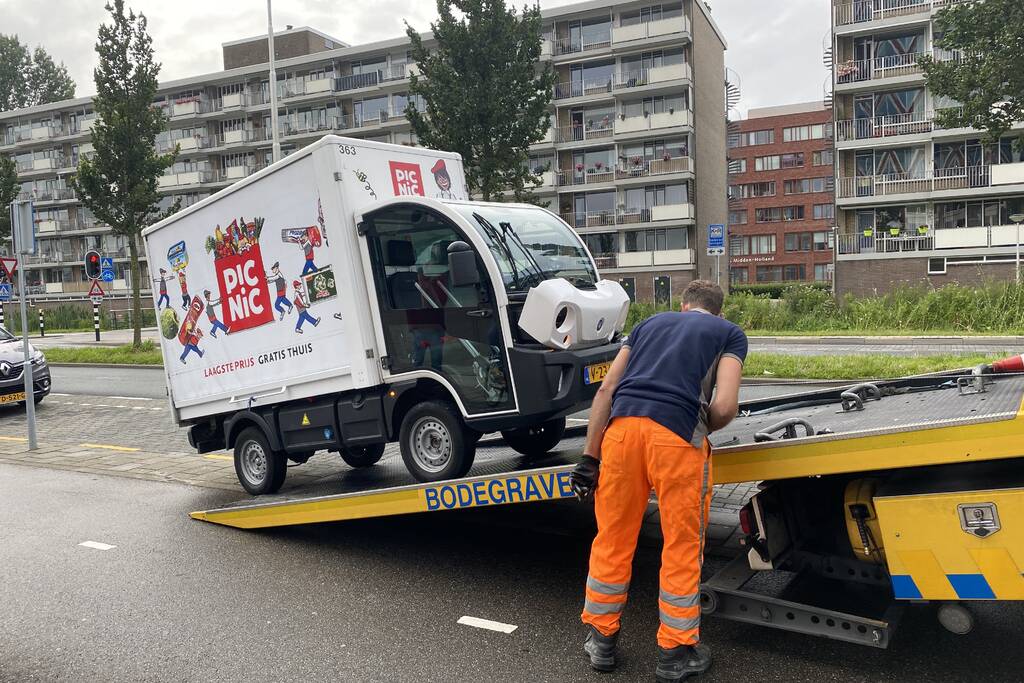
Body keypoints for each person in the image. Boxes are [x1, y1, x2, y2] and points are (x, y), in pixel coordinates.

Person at [570, 280, 747, 682]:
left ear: (683, 307)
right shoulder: (728, 333)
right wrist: (701, 426)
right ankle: (674, 653)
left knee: (613, 537)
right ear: (716, 312)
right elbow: (724, 404)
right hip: (675, 439)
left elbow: (606, 391)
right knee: (681, 545)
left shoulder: (648, 325)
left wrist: (589, 457)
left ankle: (601, 639)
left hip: (620, 435)